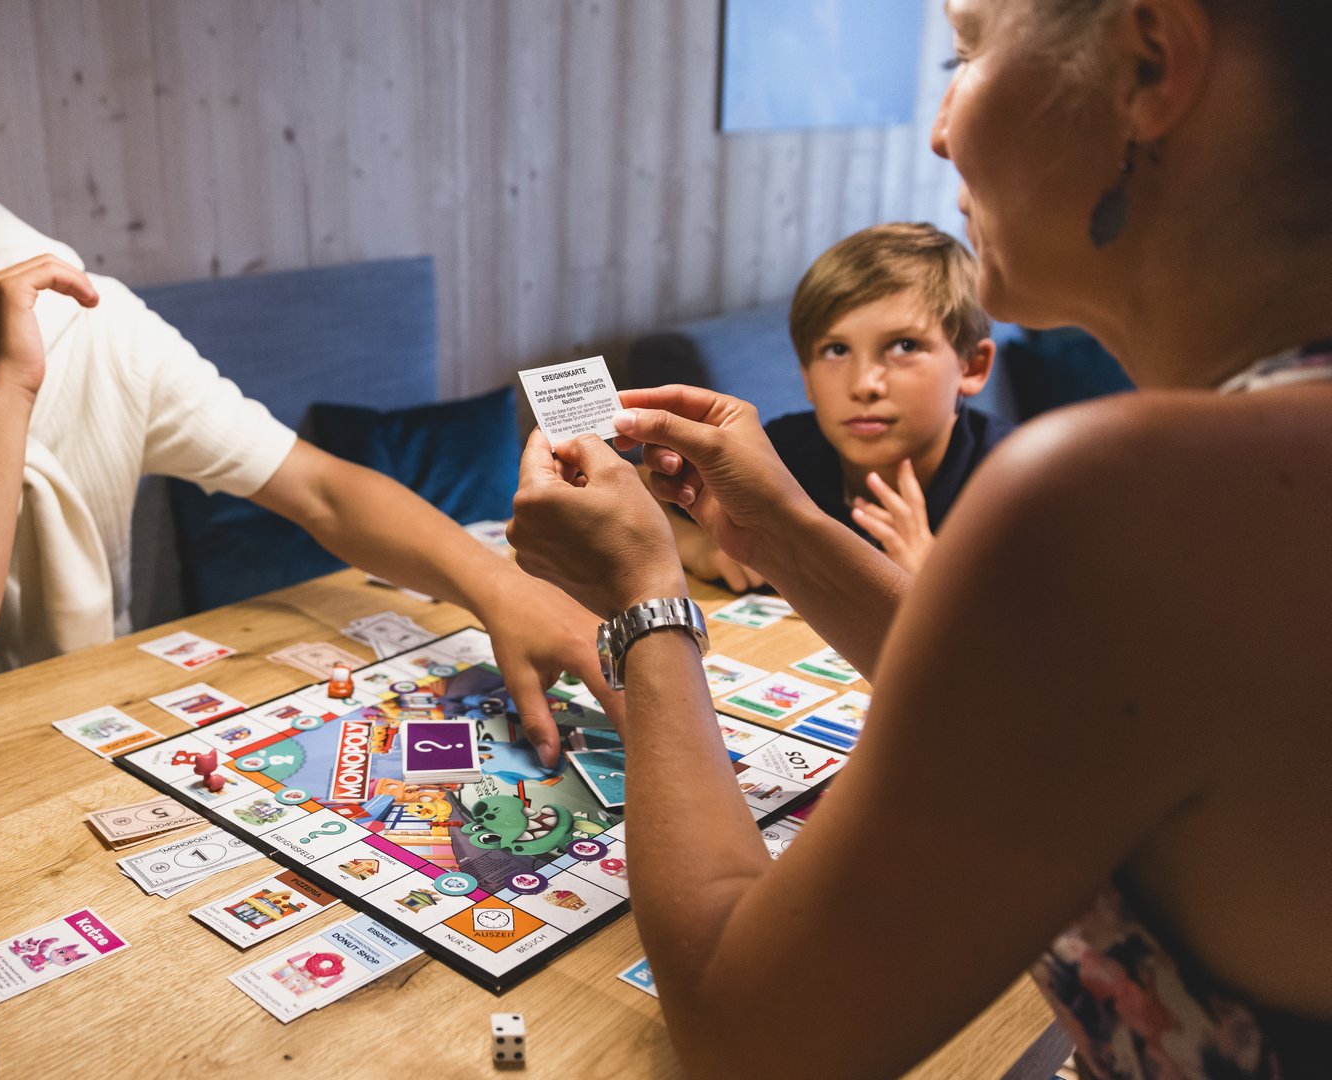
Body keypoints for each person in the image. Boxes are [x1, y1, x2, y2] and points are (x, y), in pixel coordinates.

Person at [508, 0, 1332, 1076]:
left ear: (1149, 61)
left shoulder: (1117, 494)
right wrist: (786, 529)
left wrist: (644, 603)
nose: (941, 126)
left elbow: (744, 1035)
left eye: (969, 50)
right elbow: (1030, 708)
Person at [0, 27, 612, 768]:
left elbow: (321, 490)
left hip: (89, 739)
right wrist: (8, 391)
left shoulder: (99, 324)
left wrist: (500, 588)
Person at [671, 223, 1010, 588]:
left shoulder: (1016, 482)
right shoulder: (784, 452)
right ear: (806, 376)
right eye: (836, 350)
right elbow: (646, 486)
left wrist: (940, 589)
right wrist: (699, 548)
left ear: (971, 367)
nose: (864, 385)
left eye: (905, 346)